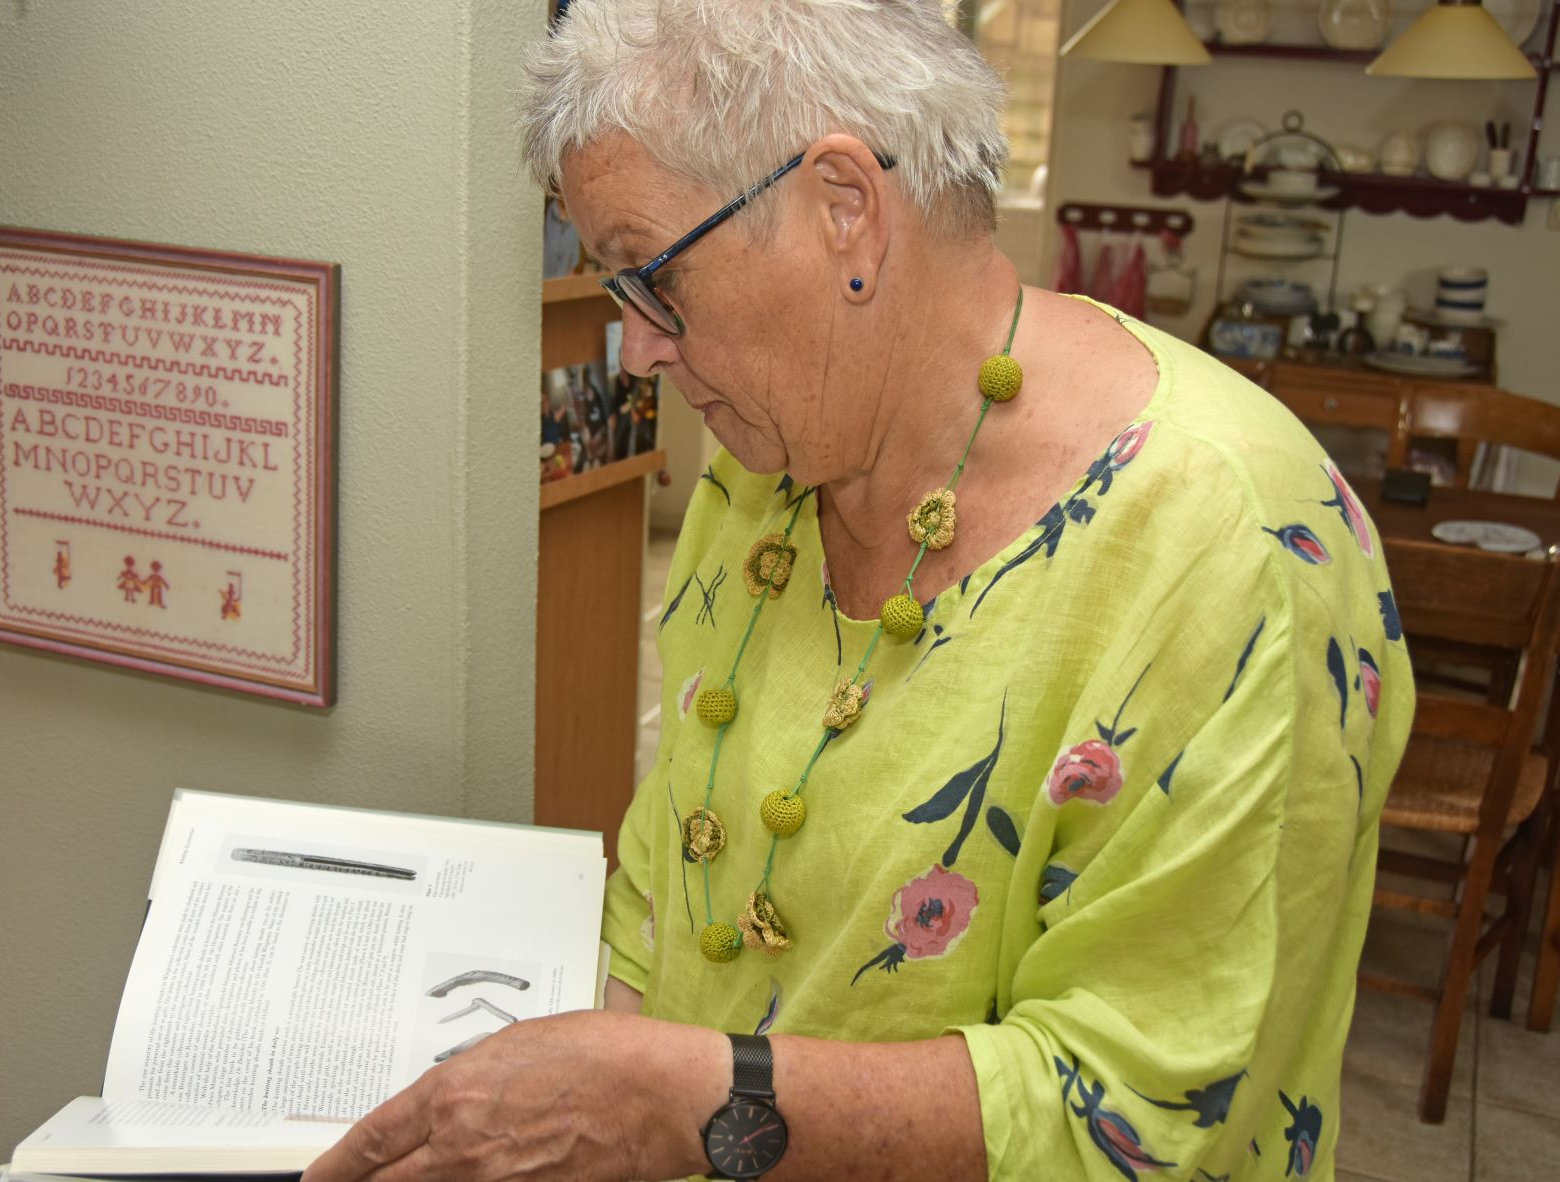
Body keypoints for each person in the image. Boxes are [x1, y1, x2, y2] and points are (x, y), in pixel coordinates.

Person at [305, 3, 1410, 1180]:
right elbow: (676, 868)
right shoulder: (768, 464)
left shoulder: (1234, 542)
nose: (638, 351)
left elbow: (1144, 1116)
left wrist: (681, 1104)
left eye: (655, 278)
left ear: (846, 209)